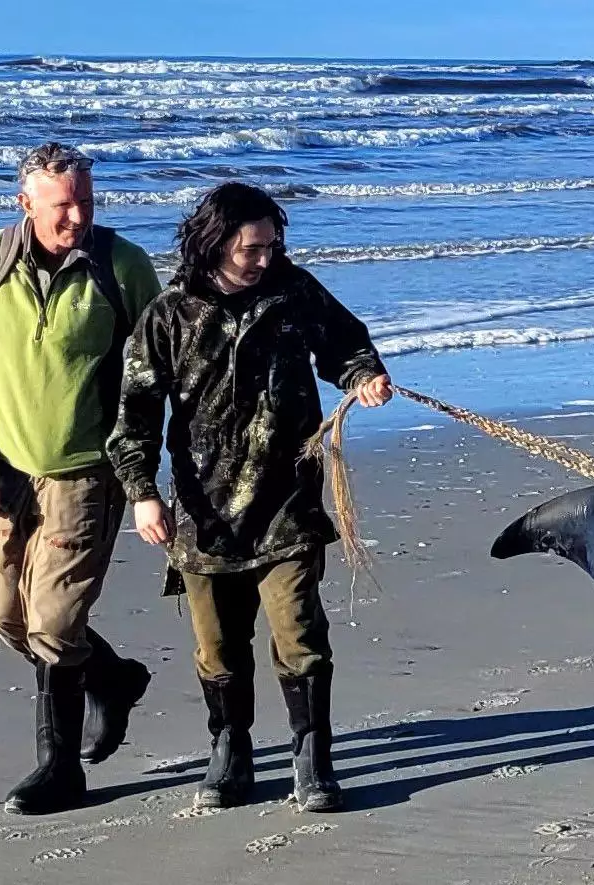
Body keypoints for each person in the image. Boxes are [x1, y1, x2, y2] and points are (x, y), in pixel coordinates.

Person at [110, 182, 392, 814]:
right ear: (214, 244)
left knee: (299, 634)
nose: (266, 258)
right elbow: (133, 415)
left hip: (288, 500)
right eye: (252, 248)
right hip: (203, 514)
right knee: (217, 646)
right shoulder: (168, 317)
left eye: (272, 244)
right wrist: (142, 495)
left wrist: (364, 375)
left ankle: (312, 758)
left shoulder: (295, 294)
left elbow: (345, 343)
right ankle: (230, 750)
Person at [0, 141, 162, 816]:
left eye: (86, 201)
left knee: (56, 621)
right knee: (6, 616)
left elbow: (158, 371)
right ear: (25, 201)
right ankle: (114, 678)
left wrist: (145, 472)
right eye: (62, 204)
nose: (76, 215)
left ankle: (58, 768)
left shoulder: (122, 266)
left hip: (87, 471)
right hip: (4, 473)